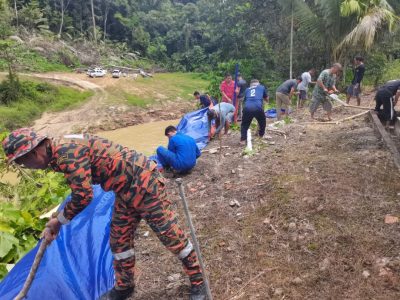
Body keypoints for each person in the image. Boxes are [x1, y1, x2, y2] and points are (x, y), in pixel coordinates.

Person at [2, 129, 206, 300]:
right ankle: (125, 286)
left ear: (33, 153)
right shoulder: (57, 149)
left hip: (144, 183)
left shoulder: (66, 152)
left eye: (22, 163)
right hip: (125, 188)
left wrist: (58, 221)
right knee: (119, 241)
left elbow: (83, 195)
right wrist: (59, 217)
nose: (26, 167)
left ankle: (198, 281)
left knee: (170, 235)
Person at [240, 79, 269, 144]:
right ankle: (261, 135)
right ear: (258, 84)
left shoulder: (247, 89)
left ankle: (242, 140)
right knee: (262, 122)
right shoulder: (261, 87)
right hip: (257, 107)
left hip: (247, 107)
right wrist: (266, 101)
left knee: (245, 124)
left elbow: (243, 99)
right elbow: (266, 98)